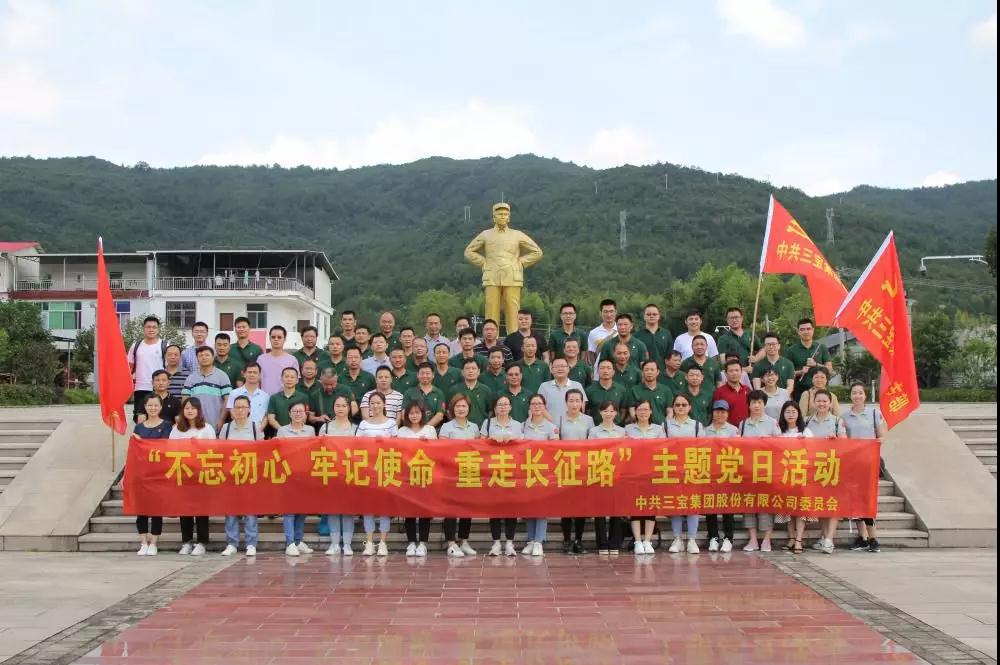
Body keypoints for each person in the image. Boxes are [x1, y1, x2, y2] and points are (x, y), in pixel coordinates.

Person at [463, 201, 544, 334]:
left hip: (512, 276)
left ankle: (514, 339)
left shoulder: (517, 235)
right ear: (493, 217)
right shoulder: (486, 234)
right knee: (491, 310)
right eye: (499, 214)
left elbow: (537, 252)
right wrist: (484, 262)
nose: (502, 216)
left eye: (505, 214)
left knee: (513, 311)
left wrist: (520, 262)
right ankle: (491, 338)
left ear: (509, 217)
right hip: (492, 276)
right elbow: (469, 252)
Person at [843, 381, 887, 553]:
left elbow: (881, 436)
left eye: (860, 392)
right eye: (854, 392)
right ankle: (862, 537)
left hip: (869, 463)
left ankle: (873, 537)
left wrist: (869, 446)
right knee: (855, 500)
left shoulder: (874, 413)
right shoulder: (844, 417)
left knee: (867, 499)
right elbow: (843, 439)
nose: (857, 395)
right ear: (850, 396)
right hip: (852, 464)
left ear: (865, 395)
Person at [169, 397, 215, 555]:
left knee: (202, 510)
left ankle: (202, 542)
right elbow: (170, 449)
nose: (190, 411)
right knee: (185, 509)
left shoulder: (207, 428)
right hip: (183, 473)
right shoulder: (177, 429)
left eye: (193, 408)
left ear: (198, 410)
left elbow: (214, 450)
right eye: (187, 408)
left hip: (201, 474)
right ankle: (186, 542)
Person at [806, 389, 847, 554]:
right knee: (821, 504)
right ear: (813, 403)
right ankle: (825, 537)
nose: (821, 404)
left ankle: (830, 539)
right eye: (819, 401)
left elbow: (845, 443)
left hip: (832, 467)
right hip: (814, 469)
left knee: (833, 504)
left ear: (830, 404)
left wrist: (836, 440)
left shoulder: (837, 421)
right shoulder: (807, 420)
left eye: (825, 401)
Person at [219, 395, 261, 557]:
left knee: (250, 510)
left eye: (243, 407)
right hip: (231, 475)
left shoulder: (255, 427)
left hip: (249, 475)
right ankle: (232, 543)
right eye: (237, 407)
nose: (240, 410)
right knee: (231, 510)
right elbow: (220, 451)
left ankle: (251, 543)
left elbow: (261, 451)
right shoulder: (227, 428)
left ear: (249, 409)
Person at [481, 395, 523, 557]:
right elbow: (481, 444)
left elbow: (523, 446)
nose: (503, 407)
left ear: (511, 407)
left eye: (506, 404)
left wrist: (513, 439)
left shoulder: (518, 425)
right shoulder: (488, 423)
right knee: (495, 509)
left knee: (511, 509)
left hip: (512, 471)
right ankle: (496, 543)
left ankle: (510, 543)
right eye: (500, 404)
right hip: (493, 471)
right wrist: (491, 440)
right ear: (495, 408)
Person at [739, 391, 781, 552]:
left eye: (759, 402)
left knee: (766, 505)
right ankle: (753, 540)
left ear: (764, 404)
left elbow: (780, 446)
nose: (756, 405)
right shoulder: (743, 424)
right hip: (748, 471)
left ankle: (766, 540)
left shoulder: (772, 423)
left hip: (767, 471)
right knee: (749, 505)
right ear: (749, 405)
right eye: (753, 402)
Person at [439, 394, 480, 557]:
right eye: (457, 406)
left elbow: (479, 449)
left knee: (466, 509)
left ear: (469, 409)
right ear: (452, 408)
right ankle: (451, 543)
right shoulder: (446, 427)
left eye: (464, 406)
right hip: (451, 473)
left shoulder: (474, 427)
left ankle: (464, 541)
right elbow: (442, 450)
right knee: (450, 509)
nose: (461, 409)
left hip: (469, 472)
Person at [357, 392, 397, 556]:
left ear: (384, 404)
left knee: (384, 507)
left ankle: (382, 542)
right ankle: (369, 542)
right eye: (372, 403)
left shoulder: (391, 423)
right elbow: (356, 446)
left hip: (386, 469)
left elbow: (397, 446)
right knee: (368, 507)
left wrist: (384, 443)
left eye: (378, 403)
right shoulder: (364, 424)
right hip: (368, 470)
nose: (375, 406)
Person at [394, 402, 437, 558]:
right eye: (411, 413)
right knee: (409, 510)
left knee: (424, 510)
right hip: (408, 475)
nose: (414, 416)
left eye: (417, 412)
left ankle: (423, 543)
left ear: (422, 414)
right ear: (406, 415)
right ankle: (411, 542)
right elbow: (397, 452)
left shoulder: (430, 430)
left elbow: (438, 451)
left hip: (426, 474)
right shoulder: (401, 431)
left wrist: (429, 444)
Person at [133, 394, 172, 556]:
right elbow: (134, 453)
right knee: (141, 510)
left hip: (159, 473)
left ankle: (154, 542)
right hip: (141, 473)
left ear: (161, 407)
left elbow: (164, 447)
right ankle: (143, 542)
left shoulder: (167, 426)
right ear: (145, 407)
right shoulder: (139, 428)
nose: (153, 408)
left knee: (156, 510)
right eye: (150, 405)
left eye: (156, 405)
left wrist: (142, 442)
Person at [319, 395, 358, 556]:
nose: (340, 408)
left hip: (349, 472)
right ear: (333, 408)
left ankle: (347, 544)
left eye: (343, 406)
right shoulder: (326, 428)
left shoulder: (355, 428)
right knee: (333, 509)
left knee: (348, 510)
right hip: (331, 472)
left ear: (349, 408)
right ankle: (334, 543)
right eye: (337, 405)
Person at [521, 394, 558, 556]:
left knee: (542, 506)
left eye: (539, 404)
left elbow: (555, 448)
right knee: (529, 506)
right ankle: (530, 539)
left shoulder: (551, 427)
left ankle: (539, 541)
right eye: (533, 403)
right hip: (526, 471)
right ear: (529, 406)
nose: (536, 407)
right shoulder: (523, 426)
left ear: (544, 407)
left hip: (544, 471)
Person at [625, 400, 665, 555]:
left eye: (646, 409)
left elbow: (663, 449)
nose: (643, 412)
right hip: (634, 474)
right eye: (640, 409)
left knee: (650, 506)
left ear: (651, 412)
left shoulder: (658, 429)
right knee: (635, 507)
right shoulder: (628, 429)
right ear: (635, 412)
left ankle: (648, 540)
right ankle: (637, 540)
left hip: (652, 473)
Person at [276, 403, 315, 556]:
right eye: (294, 411)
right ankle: (290, 543)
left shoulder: (310, 430)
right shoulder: (282, 430)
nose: (298, 414)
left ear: (305, 414)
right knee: (289, 511)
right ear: (289, 414)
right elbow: (278, 452)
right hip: (288, 475)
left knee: (302, 511)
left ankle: (298, 541)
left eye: (301, 411)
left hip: (305, 476)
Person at [664, 394, 702, 554]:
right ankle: (677, 539)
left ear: (689, 407)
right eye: (677, 405)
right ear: (673, 407)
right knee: (676, 504)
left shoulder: (697, 425)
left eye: (684, 405)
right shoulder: (665, 425)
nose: (680, 407)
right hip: (672, 469)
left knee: (693, 504)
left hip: (692, 470)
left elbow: (703, 448)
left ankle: (692, 539)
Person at [558, 389, 594, 554]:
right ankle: (567, 540)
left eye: (577, 401)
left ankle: (578, 540)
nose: (574, 404)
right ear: (566, 402)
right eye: (571, 400)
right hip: (564, 467)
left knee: (581, 506)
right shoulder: (559, 419)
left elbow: (592, 443)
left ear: (582, 403)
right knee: (565, 506)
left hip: (583, 468)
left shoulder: (588, 420)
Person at [776, 400, 814, 554]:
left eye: (793, 412)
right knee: (788, 508)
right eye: (787, 412)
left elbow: (813, 452)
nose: (790, 415)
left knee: (800, 508)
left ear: (798, 414)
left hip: (801, 475)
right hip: (784, 475)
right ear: (783, 414)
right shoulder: (779, 432)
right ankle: (791, 537)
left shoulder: (805, 432)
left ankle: (799, 539)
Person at [588, 401, 626, 555]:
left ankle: (614, 542)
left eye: (611, 411)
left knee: (616, 509)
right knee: (601, 510)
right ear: (600, 412)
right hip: (600, 473)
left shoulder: (622, 431)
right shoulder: (594, 431)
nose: (608, 414)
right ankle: (602, 544)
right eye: (605, 411)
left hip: (617, 475)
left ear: (616, 413)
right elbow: (589, 451)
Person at [702, 400, 739, 554]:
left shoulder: (733, 430)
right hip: (710, 473)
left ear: (727, 413)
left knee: (727, 506)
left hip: (727, 472)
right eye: (717, 411)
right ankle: (713, 537)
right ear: (713, 413)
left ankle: (728, 538)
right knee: (710, 504)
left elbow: (738, 449)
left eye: (723, 412)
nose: (720, 414)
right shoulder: (705, 430)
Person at [181, 346, 232, 433]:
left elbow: (228, 400)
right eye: (200, 356)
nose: (204, 358)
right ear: (197, 359)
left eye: (207, 355)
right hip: (194, 426)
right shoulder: (191, 378)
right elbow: (185, 400)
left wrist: (222, 419)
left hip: (215, 424)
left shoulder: (222, 376)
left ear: (213, 357)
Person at [127, 315, 166, 422]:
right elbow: (129, 366)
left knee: (160, 419)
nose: (151, 329)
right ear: (144, 328)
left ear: (158, 329)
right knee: (140, 418)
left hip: (159, 388)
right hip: (140, 388)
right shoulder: (136, 346)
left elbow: (169, 367)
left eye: (154, 327)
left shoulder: (164, 345)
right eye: (148, 327)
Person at [787, 318, 834, 400]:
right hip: (799, 391)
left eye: (808, 329)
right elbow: (787, 374)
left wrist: (816, 364)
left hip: (821, 391)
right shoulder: (791, 350)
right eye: (802, 329)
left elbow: (830, 370)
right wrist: (800, 372)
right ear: (798, 332)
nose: (806, 332)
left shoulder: (821, 347)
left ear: (813, 330)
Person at [447, 358, 495, 427]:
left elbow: (491, 410)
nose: (470, 371)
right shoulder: (454, 390)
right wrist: (455, 424)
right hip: (458, 428)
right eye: (467, 368)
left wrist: (486, 425)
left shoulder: (486, 390)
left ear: (478, 371)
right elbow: (448, 410)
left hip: (481, 429)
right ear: (462, 372)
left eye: (473, 368)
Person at [538, 357, 587, 424]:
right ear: (551, 370)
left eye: (562, 366)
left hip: (572, 425)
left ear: (568, 369)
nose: (560, 369)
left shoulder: (577, 386)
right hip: (550, 426)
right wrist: (553, 424)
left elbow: (581, 407)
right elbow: (540, 407)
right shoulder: (544, 386)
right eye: (557, 366)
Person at [258, 325, 299, 396]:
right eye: (273, 337)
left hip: (284, 399)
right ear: (269, 339)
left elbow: (295, 382)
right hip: (265, 398)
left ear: (284, 339)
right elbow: (257, 381)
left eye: (279, 337)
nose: (276, 339)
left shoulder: (292, 360)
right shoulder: (261, 359)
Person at [402, 363, 447, 428]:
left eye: (427, 373)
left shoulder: (439, 393)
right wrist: (415, 428)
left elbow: (440, 415)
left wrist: (426, 429)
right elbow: (404, 413)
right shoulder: (409, 392)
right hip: (412, 429)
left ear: (433, 375)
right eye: (422, 373)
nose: (425, 376)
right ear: (417, 375)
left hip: (433, 430)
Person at [716, 307, 761, 371]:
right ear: (727, 320)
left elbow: (763, 350)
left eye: (736, 317)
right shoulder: (723, 339)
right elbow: (723, 363)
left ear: (742, 318)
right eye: (731, 318)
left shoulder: (751, 333)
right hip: (733, 374)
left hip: (751, 373)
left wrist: (756, 358)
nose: (734, 320)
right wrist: (744, 369)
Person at [586, 359, 629, 425]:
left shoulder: (621, 389)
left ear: (613, 372)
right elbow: (587, 411)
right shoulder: (589, 390)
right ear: (597, 371)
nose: (605, 371)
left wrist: (618, 422)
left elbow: (623, 409)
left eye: (608, 368)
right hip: (595, 427)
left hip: (616, 428)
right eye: (602, 368)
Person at [266, 367, 309, 432]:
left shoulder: (303, 397)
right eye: (286, 377)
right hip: (279, 434)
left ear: (297, 380)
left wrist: (294, 431)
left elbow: (304, 417)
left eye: (292, 377)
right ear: (281, 379)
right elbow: (271, 419)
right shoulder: (274, 398)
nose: (289, 379)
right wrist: (283, 431)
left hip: (298, 433)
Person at [630, 359, 673, 424]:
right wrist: (637, 422)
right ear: (642, 372)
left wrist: (665, 424)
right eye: (646, 370)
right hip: (641, 426)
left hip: (661, 427)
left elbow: (670, 411)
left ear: (658, 372)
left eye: (652, 370)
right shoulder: (635, 390)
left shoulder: (666, 390)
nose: (649, 372)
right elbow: (632, 409)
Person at [713, 358, 751, 426]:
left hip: (746, 428)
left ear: (741, 372)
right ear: (725, 373)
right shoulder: (719, 392)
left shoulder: (747, 390)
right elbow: (716, 414)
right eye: (731, 371)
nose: (734, 373)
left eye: (737, 370)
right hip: (728, 430)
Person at [635, 303, 673, 368]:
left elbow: (669, 356)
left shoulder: (666, 334)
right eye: (648, 314)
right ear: (644, 316)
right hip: (644, 372)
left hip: (663, 371)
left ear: (659, 316)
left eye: (654, 314)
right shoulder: (637, 336)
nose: (651, 316)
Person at [587, 298, 617, 365]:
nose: (609, 315)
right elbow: (591, 355)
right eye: (605, 312)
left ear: (616, 312)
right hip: (600, 369)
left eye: (611, 311)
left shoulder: (621, 331)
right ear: (600, 313)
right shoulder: (593, 333)